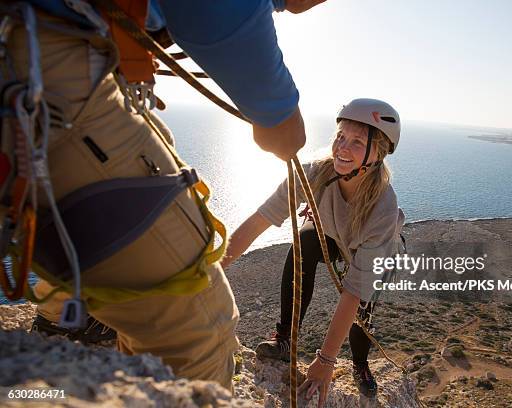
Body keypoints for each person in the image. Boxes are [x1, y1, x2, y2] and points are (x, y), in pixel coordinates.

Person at [1, 0, 325, 393]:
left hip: (35, 57)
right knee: (203, 336)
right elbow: (280, 134)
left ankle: (66, 317)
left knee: (157, 152)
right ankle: (76, 325)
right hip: (38, 68)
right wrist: (286, 122)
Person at [221, 98, 405, 403]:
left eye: (358, 141)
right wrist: (211, 269)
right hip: (335, 238)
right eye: (341, 137)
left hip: (376, 255)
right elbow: (260, 220)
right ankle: (285, 339)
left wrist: (326, 360)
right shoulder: (315, 174)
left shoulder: (383, 208)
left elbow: (355, 287)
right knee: (304, 243)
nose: (342, 148)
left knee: (362, 313)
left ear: (379, 153)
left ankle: (360, 365)